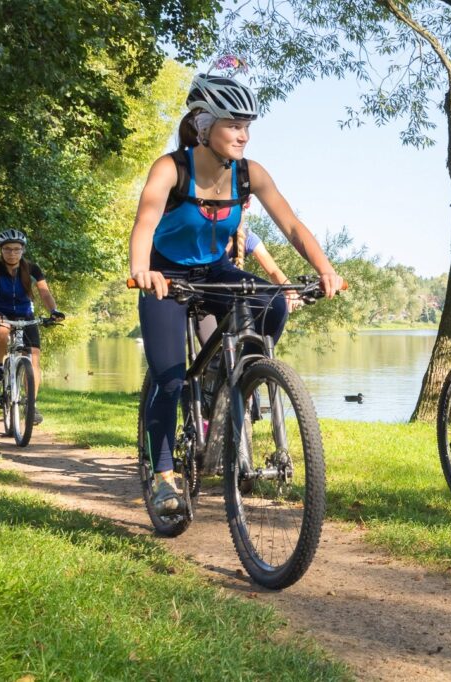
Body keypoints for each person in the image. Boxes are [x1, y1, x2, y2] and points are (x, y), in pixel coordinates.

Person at [130, 73, 344, 515]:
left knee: (275, 300)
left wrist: (324, 269)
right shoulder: (172, 168)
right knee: (169, 378)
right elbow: (145, 222)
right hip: (165, 276)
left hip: (215, 271)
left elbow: (291, 226)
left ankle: (240, 380)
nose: (243, 134)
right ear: (205, 126)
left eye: (247, 125)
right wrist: (141, 270)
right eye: (233, 124)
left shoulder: (250, 174)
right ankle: (163, 476)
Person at [0, 229, 66, 426]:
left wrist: (54, 310)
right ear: (1, 250)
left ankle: (31, 405)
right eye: (7, 249)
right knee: (0, 331)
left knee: (33, 357)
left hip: (25, 314)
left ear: (23, 250)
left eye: (17, 249)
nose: (12, 253)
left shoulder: (32, 269)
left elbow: (44, 293)